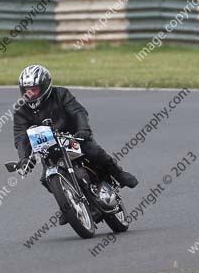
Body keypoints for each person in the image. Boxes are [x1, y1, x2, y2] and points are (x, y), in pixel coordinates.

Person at [13, 65, 139, 194]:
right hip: (48, 148)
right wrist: (24, 158)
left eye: (35, 89)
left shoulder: (61, 94)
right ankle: (69, 208)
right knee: (46, 179)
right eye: (27, 90)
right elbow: (20, 136)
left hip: (73, 137)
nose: (31, 94)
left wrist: (83, 129)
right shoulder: (21, 108)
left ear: (45, 87)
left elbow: (78, 111)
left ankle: (119, 174)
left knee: (94, 151)